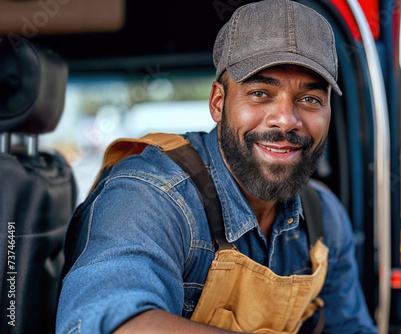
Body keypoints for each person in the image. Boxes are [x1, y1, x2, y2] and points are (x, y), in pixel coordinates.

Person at [56, 0, 377, 333]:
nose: (286, 120)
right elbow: (105, 324)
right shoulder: (151, 197)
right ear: (218, 103)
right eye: (260, 93)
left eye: (310, 99)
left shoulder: (324, 219)